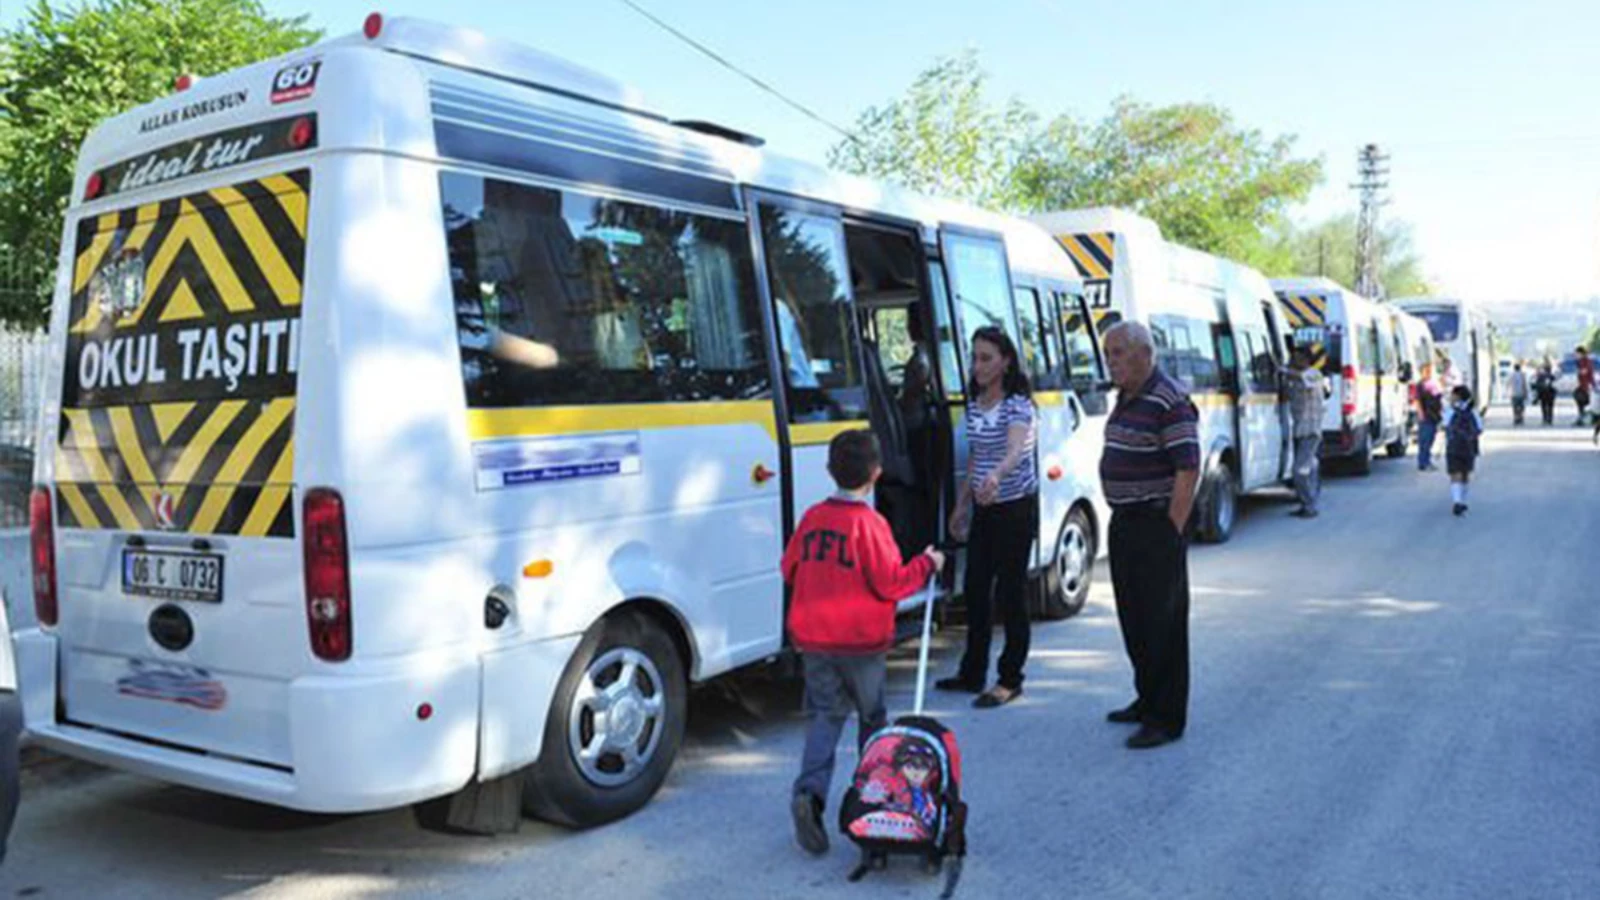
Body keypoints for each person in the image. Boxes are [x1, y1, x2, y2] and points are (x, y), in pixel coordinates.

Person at [782, 429, 943, 857]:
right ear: (876, 474)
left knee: (824, 717)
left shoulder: (814, 517)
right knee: (872, 721)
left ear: (829, 470)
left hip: (814, 639)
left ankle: (810, 794)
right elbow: (892, 583)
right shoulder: (871, 525)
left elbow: (788, 568)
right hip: (861, 643)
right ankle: (873, 802)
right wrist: (928, 563)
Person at [1097, 321, 1199, 750]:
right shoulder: (1128, 397)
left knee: (1162, 625)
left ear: (1144, 353)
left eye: (1118, 353)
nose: (1112, 362)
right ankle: (1146, 698)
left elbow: (1187, 469)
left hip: (1155, 524)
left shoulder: (1169, 400)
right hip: (1126, 522)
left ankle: (1165, 717)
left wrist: (1170, 532)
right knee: (1134, 619)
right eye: (1109, 354)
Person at [935, 326, 1039, 710]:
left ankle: (1010, 679)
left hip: (1014, 508)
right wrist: (962, 504)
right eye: (974, 357)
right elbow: (978, 455)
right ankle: (971, 672)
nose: (977, 365)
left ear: (1005, 361)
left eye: (986, 358)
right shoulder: (976, 403)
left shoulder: (1018, 405)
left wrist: (998, 475)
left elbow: (1015, 449)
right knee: (976, 589)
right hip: (984, 506)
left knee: (1011, 592)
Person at [1284, 345, 1329, 518]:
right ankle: (1306, 503)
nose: (1295, 361)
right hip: (1299, 430)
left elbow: (1303, 378)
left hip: (1310, 431)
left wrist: (1283, 370)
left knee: (1299, 471)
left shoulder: (1314, 374)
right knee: (1310, 468)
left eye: (1298, 358)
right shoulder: (1295, 379)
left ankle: (1310, 506)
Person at [1443, 385, 1484, 516]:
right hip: (1469, 446)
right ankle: (1463, 501)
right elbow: (1479, 428)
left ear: (1457, 396)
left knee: (1455, 473)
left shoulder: (1451, 410)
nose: (1450, 397)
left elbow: (1445, 425)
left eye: (1452, 395)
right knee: (1465, 474)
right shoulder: (1472, 410)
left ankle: (1457, 501)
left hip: (1453, 446)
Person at [1415, 363, 1445, 471]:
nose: (1428, 373)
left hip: (1434, 416)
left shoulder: (1433, 384)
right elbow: (1417, 400)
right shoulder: (1420, 385)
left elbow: (1439, 397)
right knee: (1425, 441)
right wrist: (1420, 414)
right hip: (1426, 415)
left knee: (1431, 439)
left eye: (1430, 371)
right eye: (1426, 371)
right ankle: (1423, 462)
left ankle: (1426, 461)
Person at [1574, 346, 1593, 426]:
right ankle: (1581, 418)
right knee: (1580, 402)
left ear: (1581, 353)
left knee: (1584, 403)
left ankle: (1585, 419)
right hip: (1581, 384)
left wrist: (1579, 371)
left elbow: (1585, 371)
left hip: (1585, 385)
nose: (1576, 355)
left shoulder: (1586, 361)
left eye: (1577, 353)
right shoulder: (1580, 361)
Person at [1509, 361, 1529, 426]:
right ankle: (1520, 418)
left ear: (1514, 368)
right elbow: (1524, 384)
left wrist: (1509, 393)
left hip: (1514, 394)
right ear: (1520, 368)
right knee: (1521, 407)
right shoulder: (1522, 375)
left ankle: (1516, 418)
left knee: (1515, 407)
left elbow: (1508, 384)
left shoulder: (1511, 375)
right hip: (1521, 393)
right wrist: (1526, 393)